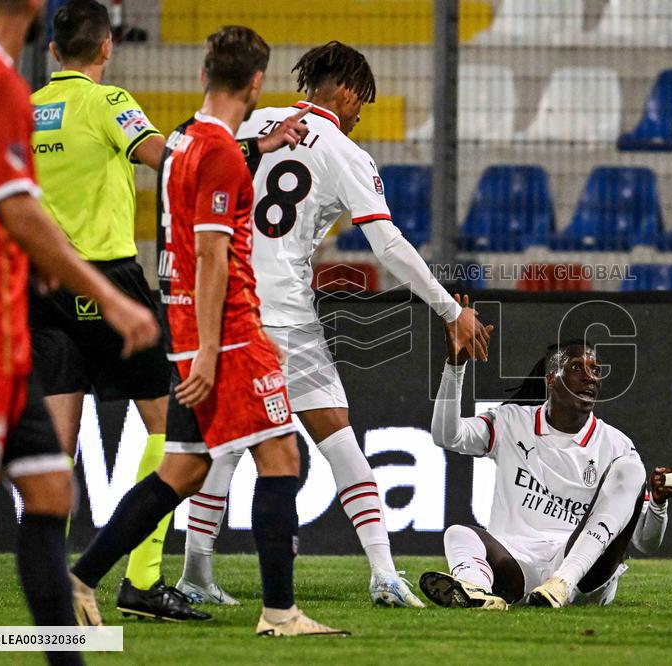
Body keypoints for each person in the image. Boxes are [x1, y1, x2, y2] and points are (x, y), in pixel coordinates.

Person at [175, 40, 491, 609]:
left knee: (224, 441)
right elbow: (388, 246)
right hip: (286, 314)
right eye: (360, 104)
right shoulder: (346, 153)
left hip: (226, 301)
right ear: (343, 90)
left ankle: (196, 574)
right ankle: (384, 575)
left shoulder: (257, 121)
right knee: (339, 438)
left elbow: (184, 153)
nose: (358, 116)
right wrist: (451, 309)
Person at [68, 25, 345, 637]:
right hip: (230, 333)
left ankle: (82, 576)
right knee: (281, 458)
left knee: (183, 471)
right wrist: (215, 353)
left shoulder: (183, 142)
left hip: (186, 323)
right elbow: (214, 253)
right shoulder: (218, 152)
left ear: (202, 77)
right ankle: (280, 613)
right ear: (255, 84)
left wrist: (195, 344)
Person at [0, 0, 160, 661]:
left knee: (50, 484)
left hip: (24, 310)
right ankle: (145, 576)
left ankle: (65, 643)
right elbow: (18, 207)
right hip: (8, 316)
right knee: (174, 430)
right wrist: (113, 298)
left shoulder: (27, 94)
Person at [28, 0, 204, 621]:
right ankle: (141, 580)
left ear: (52, 52)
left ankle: (55, 590)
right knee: (173, 430)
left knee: (57, 447)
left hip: (40, 283)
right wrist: (240, 145)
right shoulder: (108, 102)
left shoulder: (28, 110)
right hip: (108, 280)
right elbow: (165, 155)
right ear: (106, 49)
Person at [419, 297, 672, 609]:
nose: (591, 377)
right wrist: (455, 366)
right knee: (458, 533)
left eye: (595, 370)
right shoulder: (510, 422)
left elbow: (645, 543)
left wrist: (658, 504)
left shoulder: (615, 446)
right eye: (577, 368)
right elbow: (446, 436)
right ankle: (474, 590)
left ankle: (561, 584)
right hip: (515, 566)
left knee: (632, 469)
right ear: (551, 379)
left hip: (582, 573)